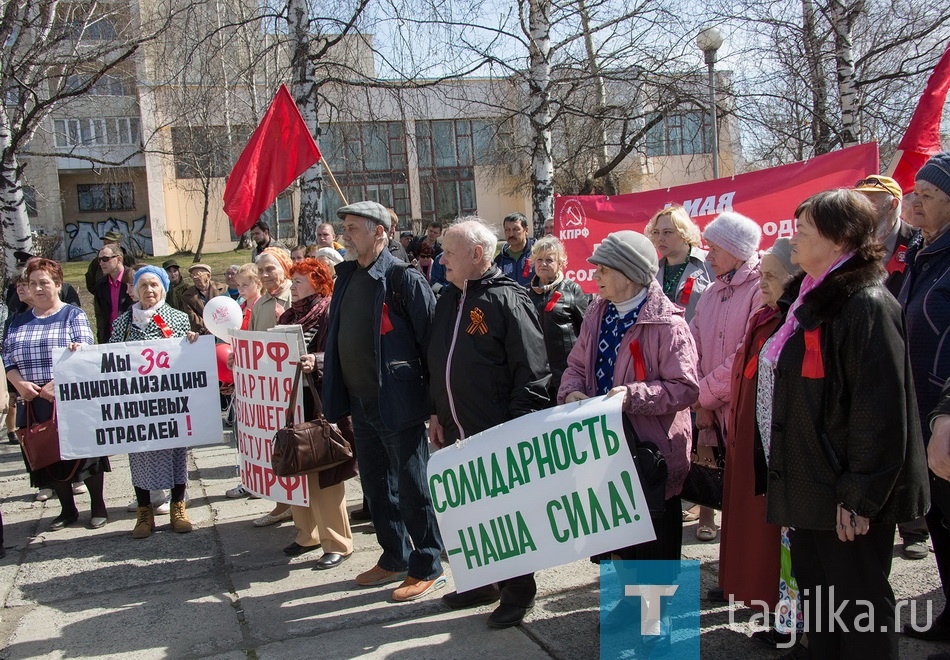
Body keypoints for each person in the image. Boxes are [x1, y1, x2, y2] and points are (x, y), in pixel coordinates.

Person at [765, 189, 927, 658]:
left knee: (860, 618)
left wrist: (858, 496)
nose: (792, 237)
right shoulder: (809, 300)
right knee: (823, 616)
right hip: (812, 487)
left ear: (838, 241)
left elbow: (878, 412)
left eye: (804, 230)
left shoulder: (866, 304)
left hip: (845, 499)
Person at [558, 231, 699, 642]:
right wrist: (571, 390)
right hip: (604, 445)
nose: (595, 274)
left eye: (604, 268)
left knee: (655, 537)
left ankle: (655, 618)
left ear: (631, 274)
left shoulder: (667, 323)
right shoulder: (597, 312)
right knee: (618, 534)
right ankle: (631, 603)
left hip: (651, 450)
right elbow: (576, 363)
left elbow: (686, 387)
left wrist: (632, 396)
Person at [429, 218, 551, 629]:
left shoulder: (507, 300)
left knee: (505, 515)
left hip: (496, 431)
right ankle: (479, 581)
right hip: (454, 428)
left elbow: (532, 372)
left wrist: (519, 429)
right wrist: (436, 412)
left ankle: (517, 593)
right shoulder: (448, 298)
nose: (440, 258)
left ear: (476, 255)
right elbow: (440, 364)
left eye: (449, 252)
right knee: (466, 512)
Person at [322, 200, 444, 602]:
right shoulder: (345, 276)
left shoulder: (402, 277)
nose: (346, 235)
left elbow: (432, 342)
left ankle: (427, 564)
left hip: (399, 400)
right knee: (376, 486)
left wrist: (435, 406)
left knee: (412, 485)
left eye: (354, 228)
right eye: (346, 228)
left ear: (380, 232)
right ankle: (394, 556)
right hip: (360, 400)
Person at [716, 239, 800, 632]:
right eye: (762, 274)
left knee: (773, 535)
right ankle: (760, 598)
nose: (762, 284)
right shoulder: (765, 315)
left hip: (771, 445)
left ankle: (781, 610)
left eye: (771, 276)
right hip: (747, 434)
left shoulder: (792, 321)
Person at [853, 175, 928, 561]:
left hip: (912, 351)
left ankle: (914, 527)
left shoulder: (915, 245)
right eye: (861, 199)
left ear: (894, 205)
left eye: (875, 201)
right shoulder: (858, 245)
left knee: (909, 438)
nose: (867, 207)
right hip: (871, 353)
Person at [5, 258, 110, 531]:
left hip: (70, 396)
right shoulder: (18, 321)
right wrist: (19, 384)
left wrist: (58, 382)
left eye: (44, 283)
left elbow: (85, 349)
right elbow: (8, 359)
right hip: (33, 400)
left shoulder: (72, 315)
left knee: (86, 454)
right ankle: (67, 510)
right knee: (49, 454)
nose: (38, 289)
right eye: (32, 284)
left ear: (58, 285)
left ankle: (98, 506)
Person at [899, 152, 950, 643]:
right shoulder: (921, 252)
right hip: (920, 408)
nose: (915, 201)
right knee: (940, 519)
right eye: (916, 192)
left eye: (928, 196)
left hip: (946, 410)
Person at [109, 266, 200, 537]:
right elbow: (110, 358)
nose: (149, 290)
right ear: (135, 290)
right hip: (137, 403)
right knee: (139, 454)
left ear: (163, 288)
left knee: (176, 453)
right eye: (144, 285)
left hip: (169, 402)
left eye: (154, 285)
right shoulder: (123, 323)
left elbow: (187, 356)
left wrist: (193, 341)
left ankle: (178, 505)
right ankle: (144, 511)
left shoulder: (178, 319)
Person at [278, 259, 356, 569]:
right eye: (292, 281)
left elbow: (341, 350)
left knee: (326, 472)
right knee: (298, 470)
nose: (292, 286)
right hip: (293, 403)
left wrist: (317, 361)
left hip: (321, 403)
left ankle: (337, 541)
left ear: (318, 282)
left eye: (298, 281)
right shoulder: (288, 315)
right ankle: (305, 534)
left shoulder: (328, 310)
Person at [689, 212, 762, 542]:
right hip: (712, 416)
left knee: (750, 503)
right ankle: (731, 575)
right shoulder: (710, 294)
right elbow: (694, 347)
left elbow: (746, 356)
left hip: (745, 414)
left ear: (736, 249)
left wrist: (702, 395)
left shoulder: (761, 290)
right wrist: (700, 401)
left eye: (715, 248)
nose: (709, 256)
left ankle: (751, 582)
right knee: (722, 495)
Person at [238, 248, 294, 525]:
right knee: (275, 446)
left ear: (285, 267)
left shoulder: (295, 296)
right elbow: (252, 342)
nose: (264, 275)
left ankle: (301, 505)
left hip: (295, 389)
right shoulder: (259, 305)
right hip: (267, 390)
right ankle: (283, 502)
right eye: (261, 270)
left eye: (270, 268)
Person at [526, 236, 587, 399]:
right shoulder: (524, 294)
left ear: (560, 263)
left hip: (567, 376)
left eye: (549, 260)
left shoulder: (573, 290)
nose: (543, 264)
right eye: (539, 259)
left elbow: (587, 333)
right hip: (537, 378)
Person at [645, 205, 713, 322]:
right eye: (656, 232)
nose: (660, 238)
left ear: (684, 234)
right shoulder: (652, 271)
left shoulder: (710, 262)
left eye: (667, 232)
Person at [92, 244, 133, 344]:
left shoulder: (133, 278)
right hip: (110, 341)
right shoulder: (100, 285)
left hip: (133, 340)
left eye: (105, 259)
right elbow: (100, 318)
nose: (101, 263)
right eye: (99, 260)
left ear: (119, 259)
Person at [181, 264, 226, 334]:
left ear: (208, 276)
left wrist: (216, 327)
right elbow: (192, 316)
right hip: (201, 333)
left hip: (222, 330)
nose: (195, 277)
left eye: (198, 274)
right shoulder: (187, 295)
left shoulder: (223, 289)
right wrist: (208, 327)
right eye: (192, 275)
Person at [494, 212, 534, 286]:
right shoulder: (499, 261)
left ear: (526, 230)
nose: (511, 234)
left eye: (516, 229)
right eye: (507, 230)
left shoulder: (537, 255)